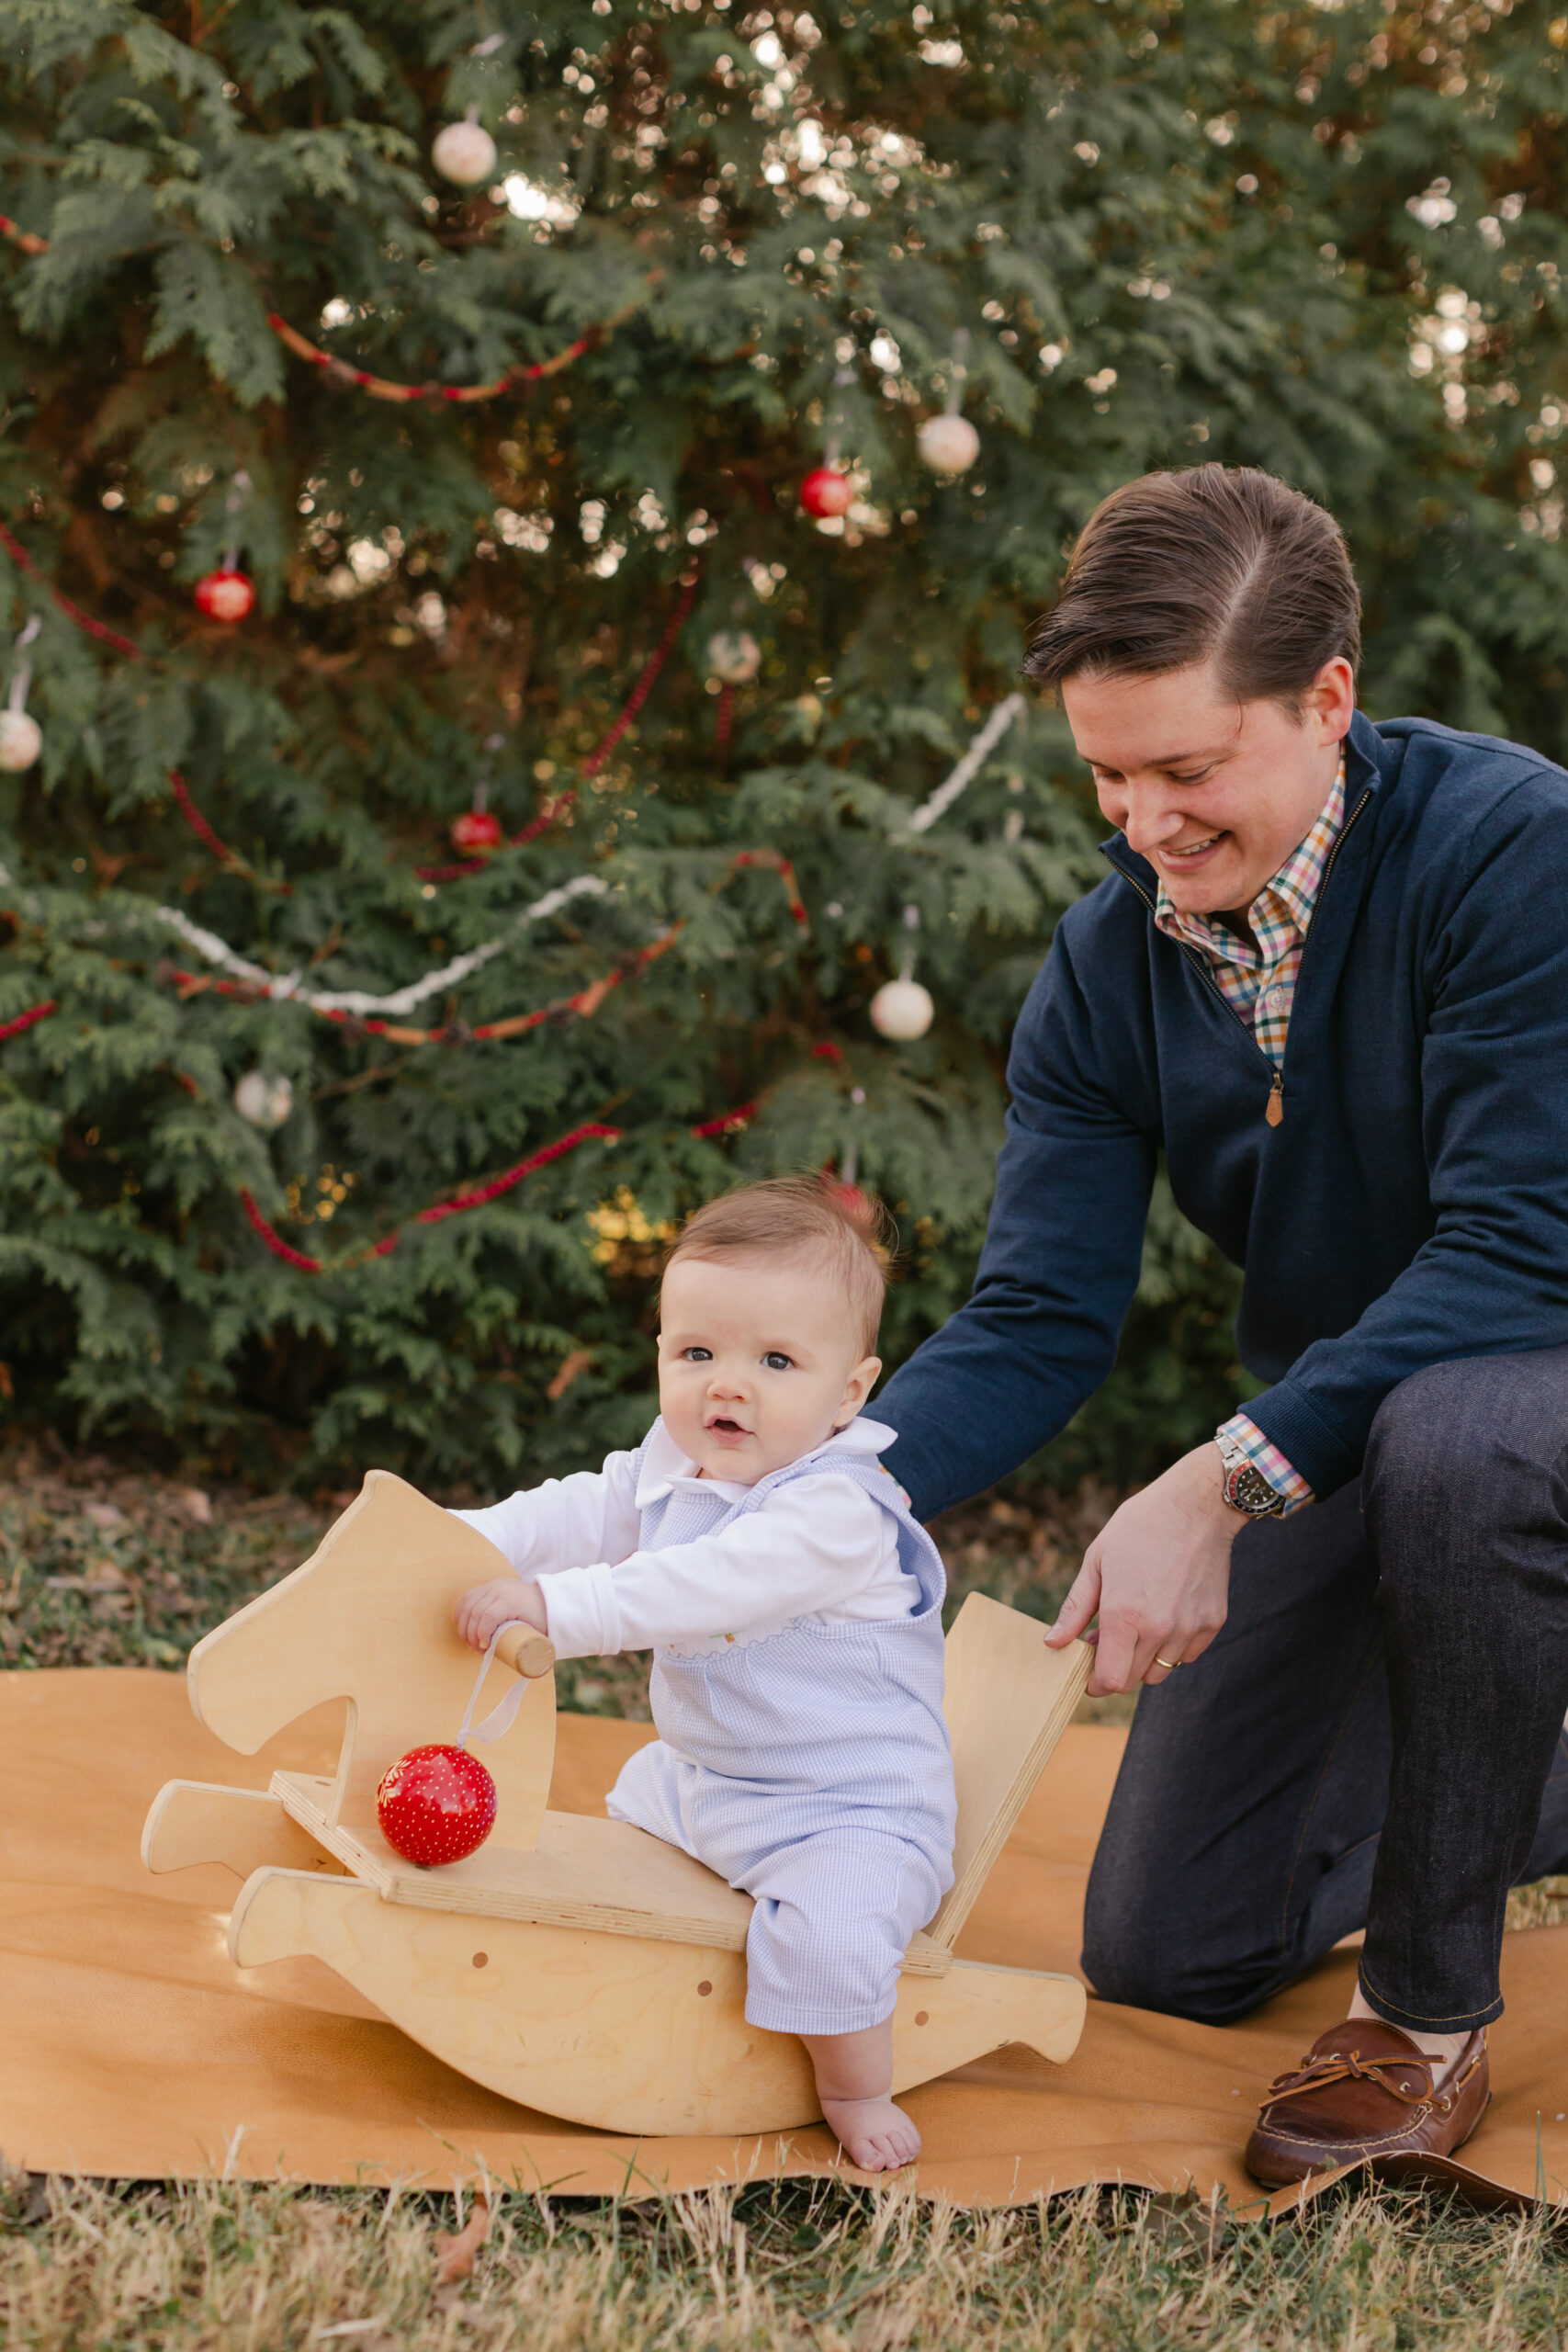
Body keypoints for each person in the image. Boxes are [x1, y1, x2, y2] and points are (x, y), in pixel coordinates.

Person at [874, 463, 1568, 2184]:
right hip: (1355, 1433)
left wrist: (1219, 1482)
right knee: (1167, 1949)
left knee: (1459, 1433)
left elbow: (1519, 1241)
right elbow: (1038, 1311)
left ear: (1326, 699)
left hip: (1505, 1392)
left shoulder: (1511, 853)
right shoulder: (1107, 967)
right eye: (1106, 775)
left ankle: (1418, 2024)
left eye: (1185, 770)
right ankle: (1503, 1739)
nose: (1142, 826)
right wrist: (820, 1490)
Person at [451, 1177, 956, 2173]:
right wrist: (457, 1543)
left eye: (775, 1360)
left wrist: (557, 1606)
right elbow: (582, 1509)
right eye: (698, 1354)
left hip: (847, 1808)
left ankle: (853, 2083)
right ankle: (652, 1970)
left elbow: (701, 1585)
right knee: (622, 1819)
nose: (728, 1384)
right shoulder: (680, 1459)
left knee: (828, 1940)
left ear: (849, 1393)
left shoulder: (836, 1513)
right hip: (711, 1783)